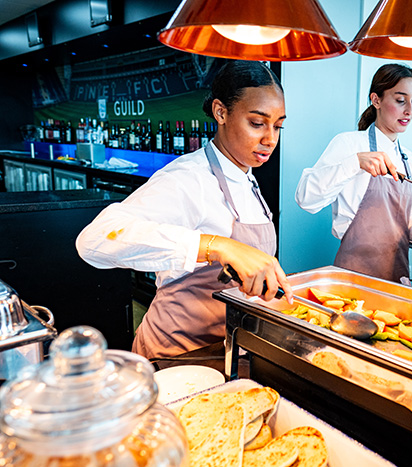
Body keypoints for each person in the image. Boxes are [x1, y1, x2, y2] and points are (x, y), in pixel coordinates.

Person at [76, 60, 293, 359]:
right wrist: (217, 246)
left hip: (227, 346)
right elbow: (94, 241)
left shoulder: (247, 176)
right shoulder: (189, 177)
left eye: (278, 126)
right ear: (221, 112)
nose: (270, 139)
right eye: (257, 123)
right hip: (177, 353)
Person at [295, 64, 412, 283]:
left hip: (396, 281)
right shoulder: (349, 144)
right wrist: (355, 163)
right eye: (400, 100)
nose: (409, 110)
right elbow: (306, 199)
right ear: (376, 100)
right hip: (350, 278)